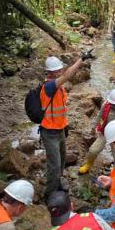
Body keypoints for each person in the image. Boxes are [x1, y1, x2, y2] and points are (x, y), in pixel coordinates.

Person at [41, 53, 93, 197]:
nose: (61, 72)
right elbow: (68, 75)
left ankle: (58, 182)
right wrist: (81, 60)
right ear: (50, 72)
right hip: (49, 132)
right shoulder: (49, 86)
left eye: (60, 69)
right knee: (54, 165)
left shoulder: (57, 86)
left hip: (59, 129)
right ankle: (50, 194)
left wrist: (65, 126)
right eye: (57, 70)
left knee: (62, 159)